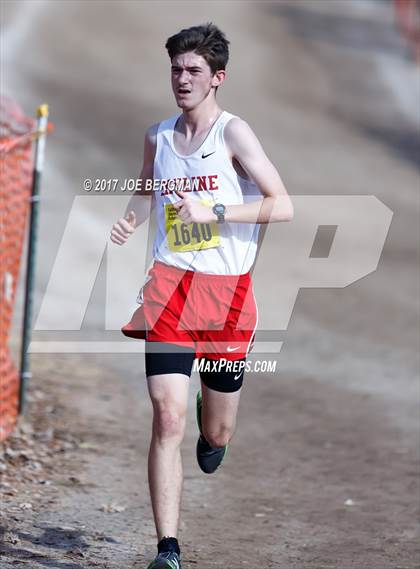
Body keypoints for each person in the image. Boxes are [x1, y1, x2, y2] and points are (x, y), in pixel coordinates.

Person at [110, 23, 293, 569]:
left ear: (217, 78)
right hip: (169, 287)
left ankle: (214, 431)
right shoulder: (158, 136)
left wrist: (214, 210)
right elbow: (148, 187)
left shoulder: (234, 135)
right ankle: (168, 548)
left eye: (193, 71)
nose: (181, 79)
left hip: (226, 295)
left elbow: (282, 205)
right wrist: (129, 219)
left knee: (214, 432)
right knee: (166, 418)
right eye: (175, 69)